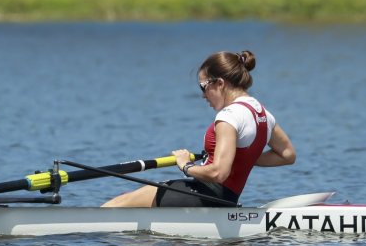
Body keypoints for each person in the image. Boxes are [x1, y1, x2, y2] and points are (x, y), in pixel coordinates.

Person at [102, 50, 295, 208]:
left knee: (118, 204)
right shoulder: (263, 114)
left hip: (205, 195)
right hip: (226, 199)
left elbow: (219, 173)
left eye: (203, 87)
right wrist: (243, 158)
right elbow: (287, 155)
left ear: (220, 83)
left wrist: (186, 166)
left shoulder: (228, 117)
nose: (203, 96)